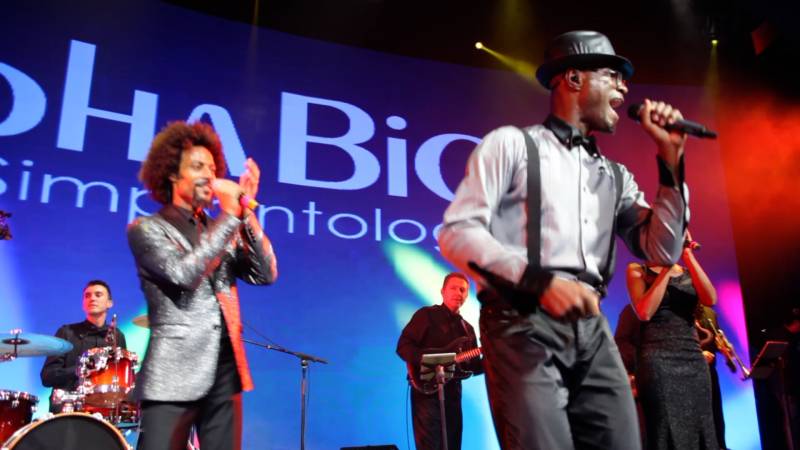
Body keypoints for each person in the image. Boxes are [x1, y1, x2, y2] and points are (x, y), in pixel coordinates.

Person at [438, 30, 690, 449]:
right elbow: (458, 233)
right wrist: (540, 283)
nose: (624, 87)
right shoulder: (510, 145)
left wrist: (671, 163)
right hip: (520, 323)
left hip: (591, 330)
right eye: (612, 75)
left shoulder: (615, 175)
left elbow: (662, 250)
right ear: (573, 79)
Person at [128, 121, 277, 450]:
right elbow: (184, 274)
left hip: (226, 368)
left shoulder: (222, 225)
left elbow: (264, 274)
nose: (209, 175)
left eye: (213, 167)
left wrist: (247, 212)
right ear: (171, 174)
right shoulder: (147, 228)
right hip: (173, 371)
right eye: (198, 166)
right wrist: (229, 215)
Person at [625, 235, 718, 449]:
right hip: (658, 360)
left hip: (693, 358)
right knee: (666, 427)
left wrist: (687, 255)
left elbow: (710, 298)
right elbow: (644, 312)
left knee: (701, 424)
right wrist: (666, 268)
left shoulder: (686, 272)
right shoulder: (638, 270)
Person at [396, 272, 483, 450]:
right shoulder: (426, 315)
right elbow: (403, 346)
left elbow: (474, 366)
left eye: (463, 290)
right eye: (453, 288)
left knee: (452, 444)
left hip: (453, 394)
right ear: (442, 291)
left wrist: (497, 357)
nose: (458, 293)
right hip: (425, 392)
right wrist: (430, 361)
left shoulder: (468, 329)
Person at [41, 280, 127, 412]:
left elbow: (121, 379)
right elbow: (47, 377)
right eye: (87, 295)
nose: (92, 298)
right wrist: (80, 369)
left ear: (110, 303)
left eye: (98, 295)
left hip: (104, 410)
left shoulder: (117, 337)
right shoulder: (66, 332)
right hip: (67, 408)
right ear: (83, 304)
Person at [694, 304, 729, 449]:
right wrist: (697, 355)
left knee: (716, 419)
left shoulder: (709, 312)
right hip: (686, 377)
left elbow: (715, 339)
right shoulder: (672, 311)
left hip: (709, 374)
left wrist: (723, 347)